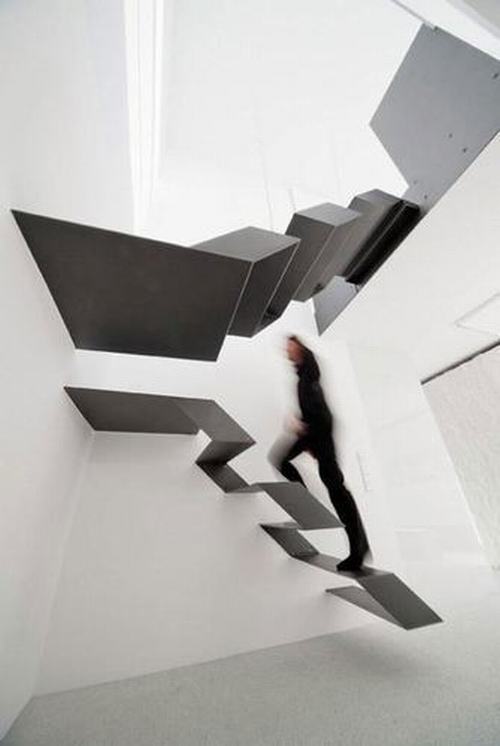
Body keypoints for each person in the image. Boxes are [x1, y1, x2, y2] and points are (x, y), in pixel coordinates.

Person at [270, 335, 369, 572]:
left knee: (337, 491)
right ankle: (307, 504)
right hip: (314, 434)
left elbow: (322, 414)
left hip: (318, 433)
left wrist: (310, 435)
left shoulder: (309, 376)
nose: (287, 352)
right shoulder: (304, 377)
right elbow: (313, 409)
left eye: (290, 347)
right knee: (282, 461)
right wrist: (302, 427)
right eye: (286, 349)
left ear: (300, 349)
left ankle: (358, 550)